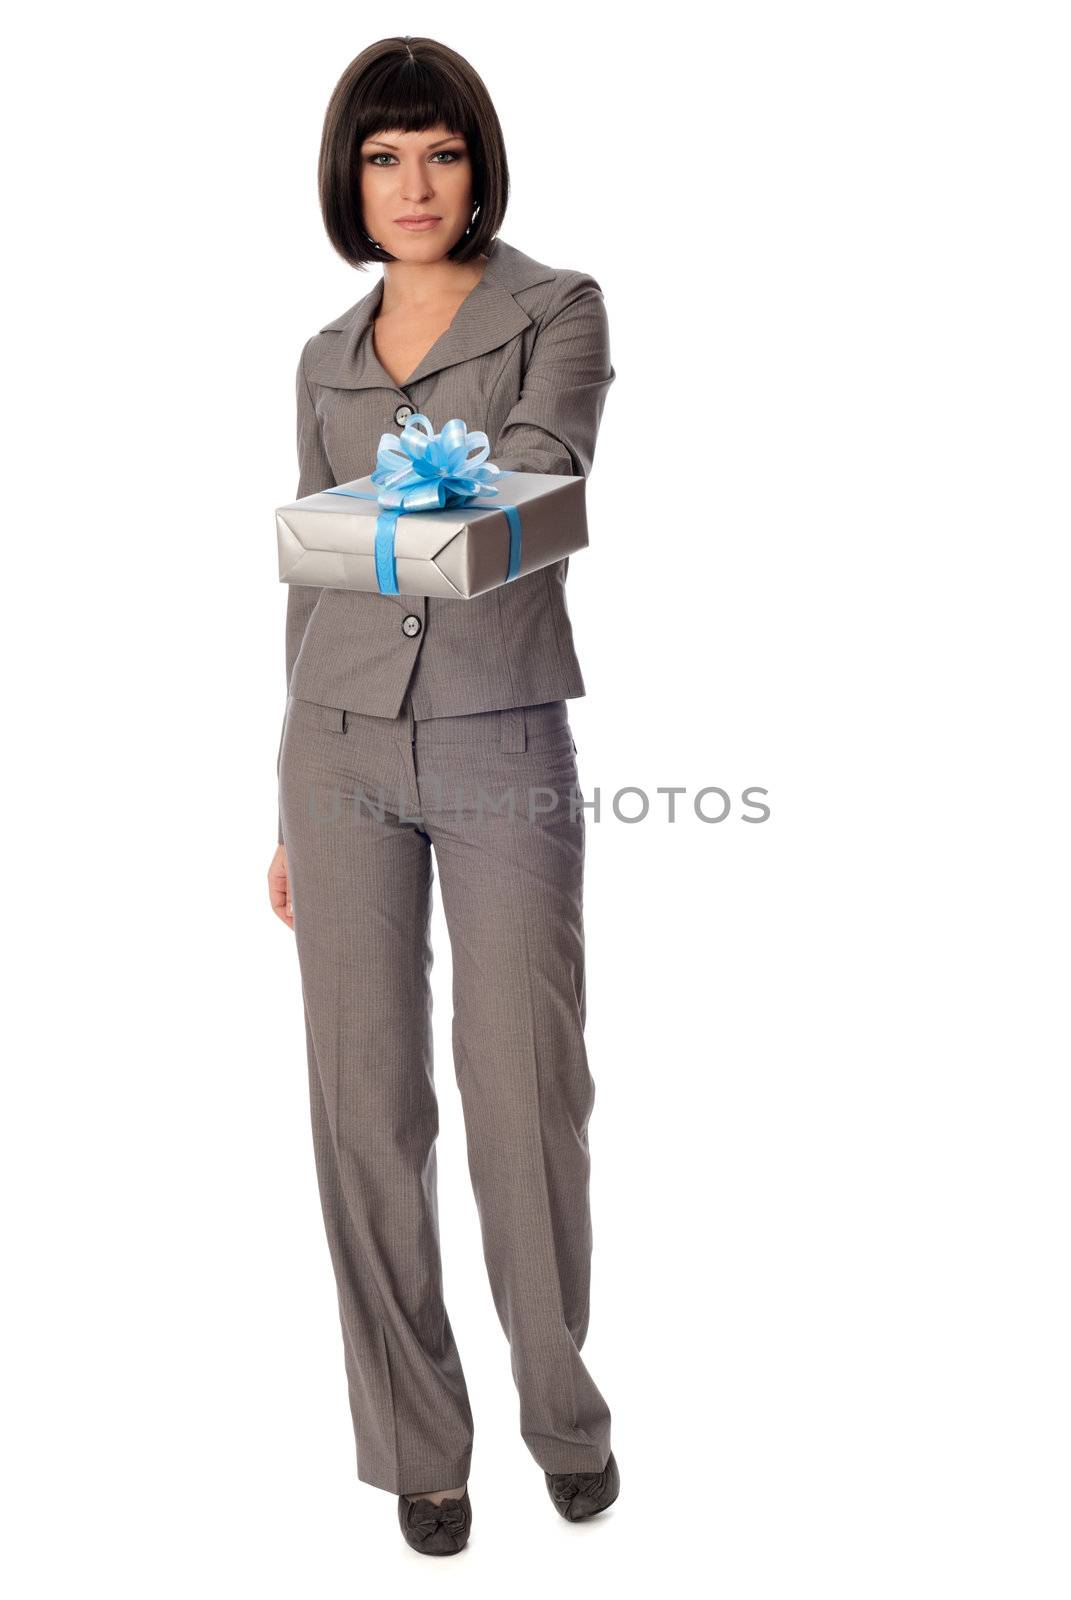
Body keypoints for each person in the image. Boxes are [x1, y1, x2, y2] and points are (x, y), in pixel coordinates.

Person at [268, 34, 619, 1556]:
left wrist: (356, 530)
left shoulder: (560, 308)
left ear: (479, 163)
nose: (414, 186)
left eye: (442, 152)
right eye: (383, 157)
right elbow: (309, 586)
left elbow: (533, 491)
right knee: (363, 1104)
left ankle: (562, 1413)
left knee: (522, 1088)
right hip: (334, 741)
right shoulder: (325, 355)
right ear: (353, 179)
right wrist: (286, 801)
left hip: (500, 732)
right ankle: (420, 1441)